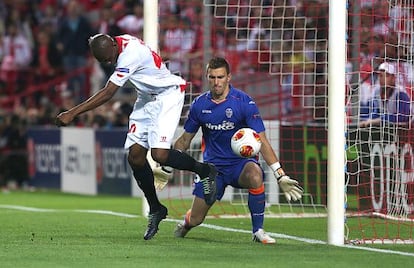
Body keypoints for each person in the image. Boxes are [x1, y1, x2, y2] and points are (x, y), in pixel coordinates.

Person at [55, 33, 218, 240]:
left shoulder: (130, 54)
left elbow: (108, 93)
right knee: (135, 156)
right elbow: (95, 41)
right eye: (103, 60)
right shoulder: (117, 43)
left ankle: (205, 170)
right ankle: (156, 208)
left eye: (108, 57)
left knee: (159, 154)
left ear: (114, 45)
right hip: (146, 98)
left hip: (167, 95)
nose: (109, 62)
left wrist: (72, 113)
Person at [171, 57, 303, 244]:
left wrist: (280, 175)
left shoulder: (244, 103)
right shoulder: (199, 105)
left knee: (255, 174)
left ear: (229, 77)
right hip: (211, 170)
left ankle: (258, 230)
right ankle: (185, 223)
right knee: (196, 219)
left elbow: (262, 140)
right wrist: (168, 164)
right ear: (208, 77)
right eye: (212, 77)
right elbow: (185, 140)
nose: (216, 82)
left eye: (220, 77)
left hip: (240, 165)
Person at [359, 62, 411, 127]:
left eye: (386, 76)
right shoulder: (377, 91)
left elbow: (403, 117)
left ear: (393, 78)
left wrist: (380, 120)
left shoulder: (400, 93)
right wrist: (368, 120)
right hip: (388, 130)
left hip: (407, 131)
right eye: (380, 75)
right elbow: (377, 112)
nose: (382, 78)